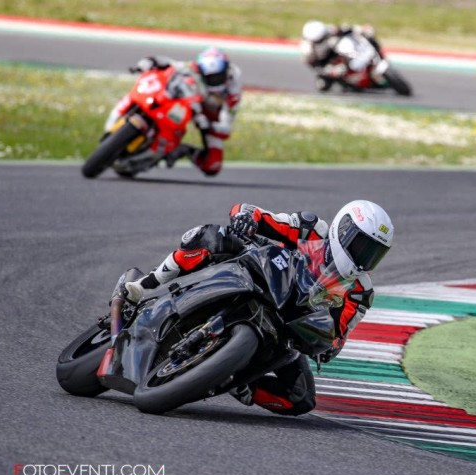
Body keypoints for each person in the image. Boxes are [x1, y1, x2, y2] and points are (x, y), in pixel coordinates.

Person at [121, 200, 394, 416]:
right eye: (362, 246)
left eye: (374, 253)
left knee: (301, 397)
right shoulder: (311, 229)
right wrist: (247, 217)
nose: (365, 258)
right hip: (262, 274)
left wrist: (328, 345)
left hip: (288, 324)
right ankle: (146, 285)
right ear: (343, 230)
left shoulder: (360, 291)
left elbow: (339, 333)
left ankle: (241, 382)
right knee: (213, 237)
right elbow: (257, 214)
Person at [105, 47, 243, 176]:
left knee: (213, 165)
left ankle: (179, 150)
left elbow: (226, 127)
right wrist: (150, 61)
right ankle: (120, 120)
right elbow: (172, 64)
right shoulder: (193, 67)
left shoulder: (233, 89)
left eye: (218, 76)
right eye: (210, 77)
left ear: (227, 71)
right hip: (187, 101)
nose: (214, 81)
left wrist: (209, 126)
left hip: (208, 117)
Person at [299, 20, 382, 91]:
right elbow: (316, 68)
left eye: (325, 36)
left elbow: (346, 28)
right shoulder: (307, 51)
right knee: (322, 85)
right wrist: (330, 71)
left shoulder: (327, 30)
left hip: (339, 51)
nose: (324, 38)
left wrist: (362, 29)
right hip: (326, 63)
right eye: (321, 39)